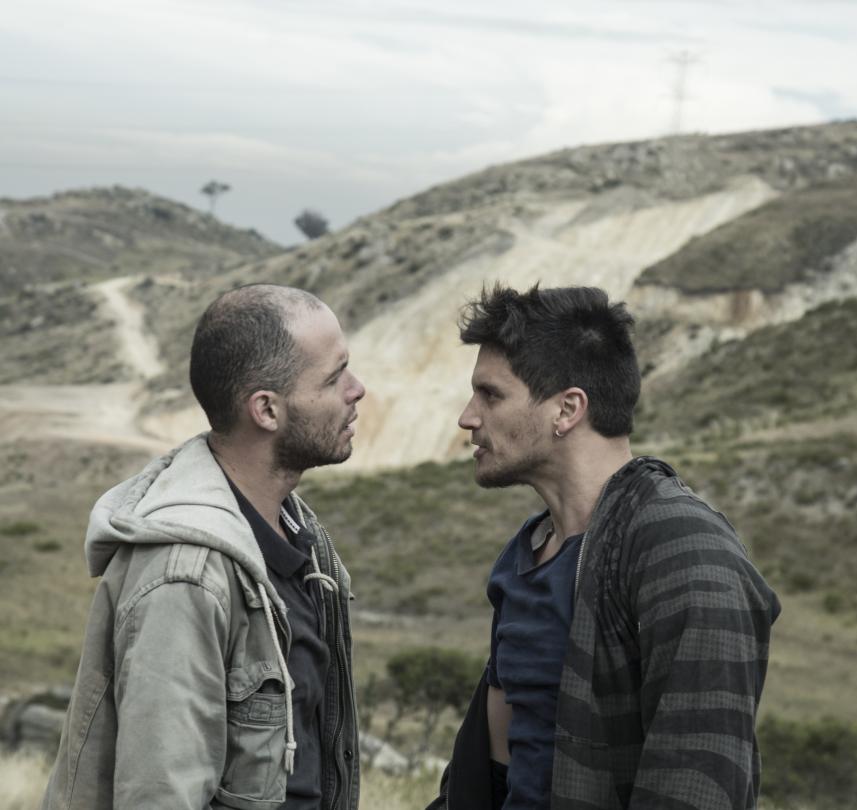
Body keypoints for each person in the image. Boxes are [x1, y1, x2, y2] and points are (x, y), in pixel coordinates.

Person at [429, 284, 781, 810]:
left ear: (567, 409)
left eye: (491, 395)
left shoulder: (684, 550)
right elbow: (494, 771)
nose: (468, 417)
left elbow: (698, 786)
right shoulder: (525, 555)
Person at [42, 284, 364, 810]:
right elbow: (161, 796)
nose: (357, 389)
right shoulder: (185, 578)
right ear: (267, 410)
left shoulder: (294, 532)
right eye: (334, 377)